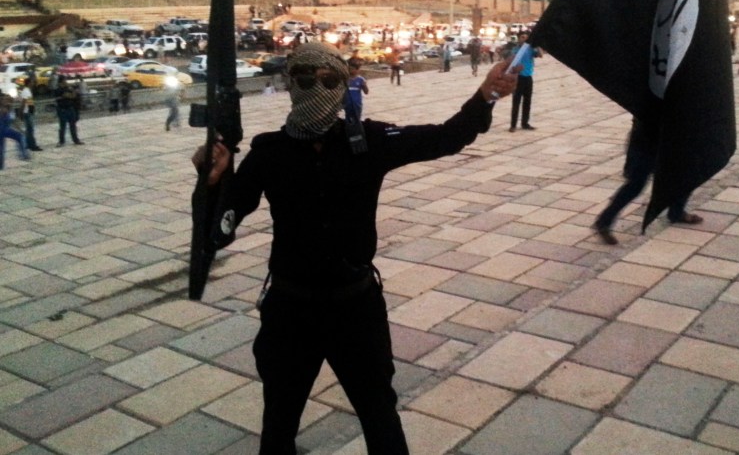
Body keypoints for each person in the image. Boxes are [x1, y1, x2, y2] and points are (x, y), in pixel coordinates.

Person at [191, 43, 518, 455]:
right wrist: (212, 183)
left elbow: (447, 137)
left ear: (343, 86)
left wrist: (486, 93)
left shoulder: (368, 142)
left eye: (328, 80)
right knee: (279, 420)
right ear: (291, 84)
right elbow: (218, 231)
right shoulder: (268, 155)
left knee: (379, 414)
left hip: (355, 307)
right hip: (291, 310)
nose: (316, 87)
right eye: (305, 78)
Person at [592, 117, 702, 244]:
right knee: (635, 185)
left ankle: (676, 212)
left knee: (684, 174)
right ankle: (604, 221)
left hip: (665, 138)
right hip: (647, 141)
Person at [508, 31, 542, 132]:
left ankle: (525, 123)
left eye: (526, 37)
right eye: (522, 37)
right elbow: (511, 62)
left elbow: (540, 55)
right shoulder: (515, 50)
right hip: (518, 78)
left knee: (527, 101)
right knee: (516, 101)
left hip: (528, 78)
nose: (524, 39)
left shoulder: (530, 49)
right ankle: (513, 125)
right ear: (519, 38)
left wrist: (537, 45)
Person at [0, 93, 30, 170]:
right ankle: (1, 165)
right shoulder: (3, 109)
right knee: (1, 149)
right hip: (2, 130)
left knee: (20, 137)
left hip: (5, 130)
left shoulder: (8, 108)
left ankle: (23, 154)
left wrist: (20, 129)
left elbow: (13, 121)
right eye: (4, 99)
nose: (7, 100)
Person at [54, 76, 84, 146]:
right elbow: (68, 96)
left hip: (70, 108)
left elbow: (73, 96)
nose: (66, 82)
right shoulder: (58, 90)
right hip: (62, 109)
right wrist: (71, 93)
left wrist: (73, 90)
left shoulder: (68, 88)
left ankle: (76, 140)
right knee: (62, 126)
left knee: (73, 125)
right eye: (65, 80)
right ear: (61, 82)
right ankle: (61, 141)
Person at [16, 80, 42, 151]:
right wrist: (20, 113)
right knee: (30, 130)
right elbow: (24, 103)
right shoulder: (26, 91)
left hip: (28, 112)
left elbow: (29, 102)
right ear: (29, 83)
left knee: (29, 130)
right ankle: (33, 146)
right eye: (32, 82)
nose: (33, 83)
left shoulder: (27, 91)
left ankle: (28, 144)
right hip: (27, 113)